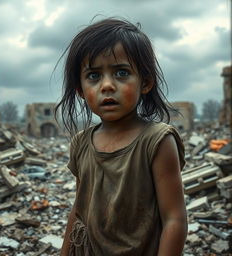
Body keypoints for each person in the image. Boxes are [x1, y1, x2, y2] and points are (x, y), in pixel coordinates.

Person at [55, 17, 188, 256]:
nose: (107, 85)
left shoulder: (157, 141)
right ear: (80, 89)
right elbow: (80, 210)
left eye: (122, 72)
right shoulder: (81, 143)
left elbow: (174, 220)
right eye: (94, 76)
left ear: (145, 82)